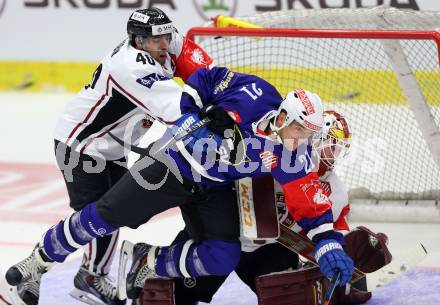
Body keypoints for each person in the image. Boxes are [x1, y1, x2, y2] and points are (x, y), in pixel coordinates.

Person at [5, 67, 354, 304]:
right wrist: (191, 113)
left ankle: (147, 260)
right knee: (103, 217)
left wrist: (327, 242)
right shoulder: (255, 92)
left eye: (310, 135)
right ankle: (41, 259)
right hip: (172, 165)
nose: (304, 140)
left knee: (222, 255)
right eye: (301, 131)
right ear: (283, 117)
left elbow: (308, 199)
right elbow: (204, 77)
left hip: (213, 188)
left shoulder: (291, 155)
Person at [3, 7, 213, 305]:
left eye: (166, 35)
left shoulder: (159, 42)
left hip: (110, 147)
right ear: (137, 41)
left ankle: (84, 274)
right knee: (98, 215)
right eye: (156, 40)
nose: (165, 44)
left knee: (107, 214)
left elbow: (197, 64)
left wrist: (216, 85)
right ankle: (43, 271)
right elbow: (179, 112)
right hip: (81, 146)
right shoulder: (132, 68)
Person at [164, 111, 390, 305]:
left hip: (271, 250)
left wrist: (356, 251)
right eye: (331, 146)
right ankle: (149, 264)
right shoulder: (270, 154)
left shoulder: (336, 192)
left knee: (292, 298)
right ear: (313, 138)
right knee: (172, 294)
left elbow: (335, 236)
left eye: (339, 149)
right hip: (223, 235)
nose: (334, 155)